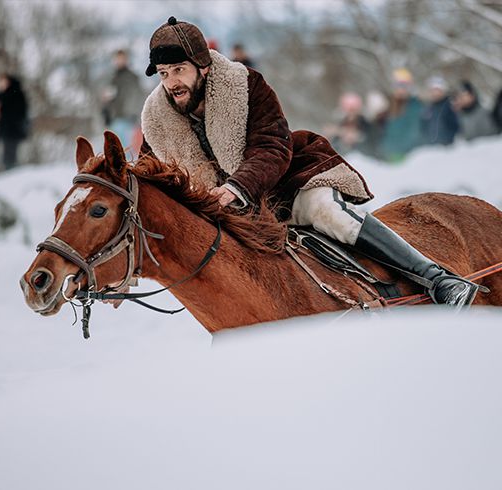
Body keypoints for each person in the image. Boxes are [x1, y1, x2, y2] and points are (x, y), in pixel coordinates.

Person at [139, 17, 479, 306]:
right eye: (164, 74)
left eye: (178, 71)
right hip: (228, 216)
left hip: (287, 185)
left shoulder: (246, 85)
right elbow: (151, 185)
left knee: (326, 212)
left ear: (204, 67)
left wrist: (234, 188)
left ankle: (438, 279)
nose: (172, 83)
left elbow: (272, 147)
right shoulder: (157, 119)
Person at [103, 49, 145, 156]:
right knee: (115, 149)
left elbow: (137, 97)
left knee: (129, 150)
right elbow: (108, 97)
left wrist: (134, 114)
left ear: (126, 59)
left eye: (122, 58)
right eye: (117, 59)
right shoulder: (112, 78)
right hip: (115, 118)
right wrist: (106, 111)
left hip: (129, 119)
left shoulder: (132, 78)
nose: (119, 61)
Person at [377, 68, 423, 162]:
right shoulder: (391, 105)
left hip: (409, 155)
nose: (400, 89)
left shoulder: (415, 105)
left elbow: (414, 132)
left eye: (404, 85)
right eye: (397, 85)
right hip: (390, 154)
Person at [0, 73, 29, 171]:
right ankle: (8, 172)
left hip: (14, 129)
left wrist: (3, 112)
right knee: (5, 153)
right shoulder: (0, 95)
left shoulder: (17, 94)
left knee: (11, 154)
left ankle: (12, 172)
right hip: (5, 129)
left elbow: (20, 112)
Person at [419, 76, 459, 146]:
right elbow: (423, 127)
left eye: (438, 90)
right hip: (430, 146)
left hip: (446, 147)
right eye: (433, 90)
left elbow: (455, 127)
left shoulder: (450, 107)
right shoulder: (427, 108)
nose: (435, 93)